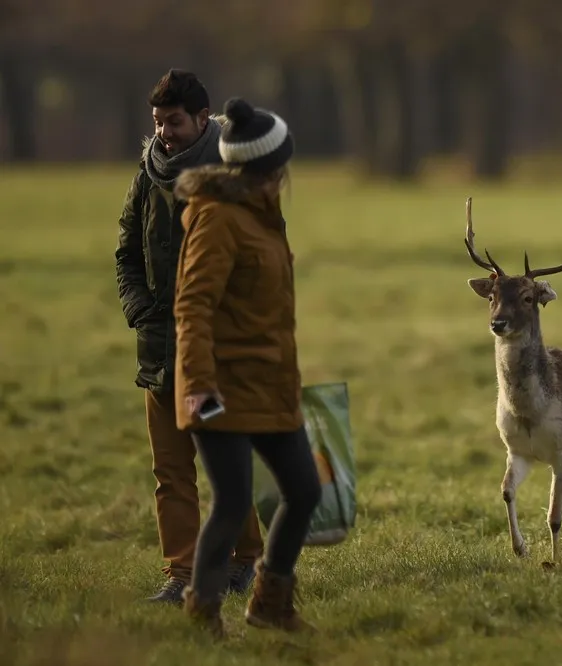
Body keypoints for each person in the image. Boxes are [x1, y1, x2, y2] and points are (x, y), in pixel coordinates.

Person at [172, 96, 321, 637]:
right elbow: (192, 307)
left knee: (304, 491)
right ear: (270, 168)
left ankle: (269, 604)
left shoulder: (264, 216)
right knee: (232, 503)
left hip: (269, 384)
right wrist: (200, 387)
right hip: (220, 386)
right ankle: (203, 612)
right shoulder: (218, 220)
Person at [114, 69, 264, 605]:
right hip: (159, 346)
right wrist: (141, 312)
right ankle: (180, 575)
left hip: (217, 349)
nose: (164, 133)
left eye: (173, 122)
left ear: (203, 119)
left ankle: (244, 562)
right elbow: (126, 252)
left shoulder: (236, 174)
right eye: (157, 122)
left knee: (226, 465)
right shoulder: (147, 172)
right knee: (170, 470)